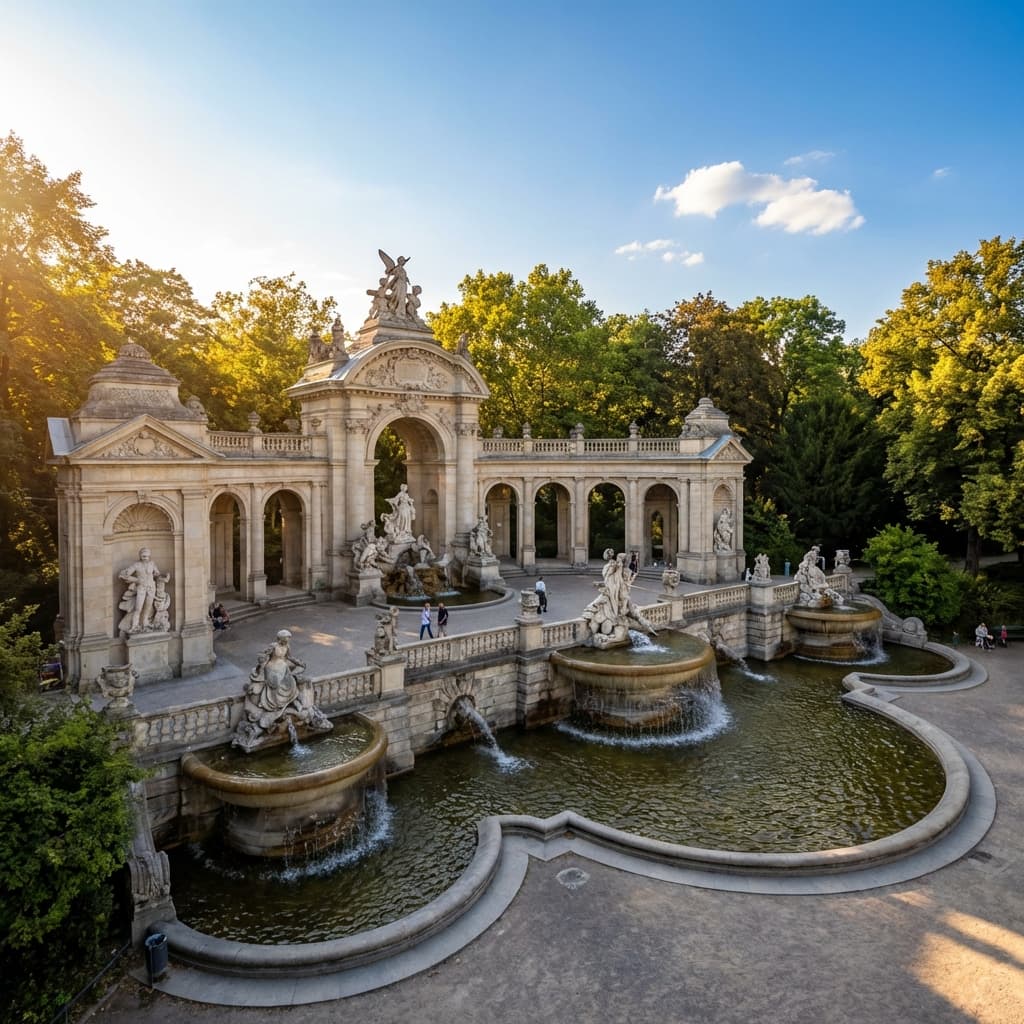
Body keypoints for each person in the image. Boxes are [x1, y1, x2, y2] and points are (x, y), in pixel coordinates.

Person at [118, 547, 167, 633]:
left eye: (147, 556)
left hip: (151, 588)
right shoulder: (136, 565)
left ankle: (145, 623)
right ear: (140, 556)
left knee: (147, 607)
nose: (145, 558)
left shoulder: (152, 563)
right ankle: (134, 626)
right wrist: (136, 580)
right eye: (144, 556)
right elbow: (125, 575)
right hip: (141, 588)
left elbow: (157, 573)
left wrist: (160, 575)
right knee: (138, 608)